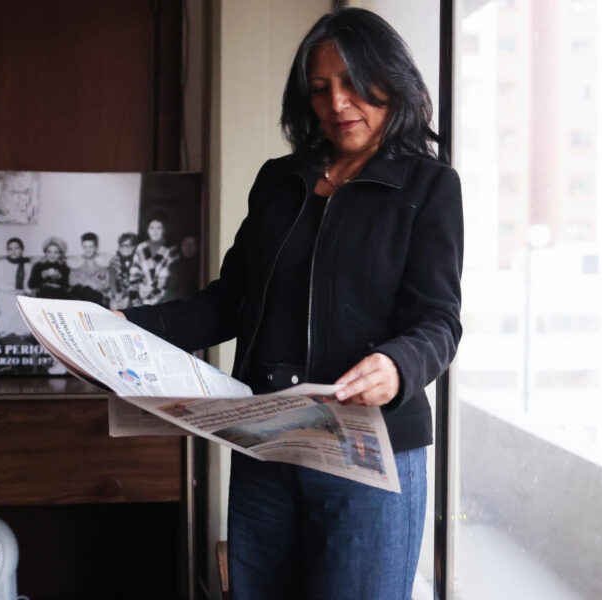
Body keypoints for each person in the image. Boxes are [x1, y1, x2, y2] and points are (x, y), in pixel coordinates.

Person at [122, 8, 463, 599]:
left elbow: (439, 319)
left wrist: (398, 366)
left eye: (355, 83)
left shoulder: (430, 186)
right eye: (320, 88)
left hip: (369, 452)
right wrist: (123, 328)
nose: (337, 103)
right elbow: (228, 304)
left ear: (392, 80)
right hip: (268, 444)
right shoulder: (279, 180)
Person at [130, 212, 175, 305]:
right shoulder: (141, 248)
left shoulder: (171, 250)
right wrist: (140, 290)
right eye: (152, 228)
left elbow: (173, 280)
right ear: (147, 230)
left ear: (164, 230)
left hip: (165, 299)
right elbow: (134, 274)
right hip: (141, 299)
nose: (155, 231)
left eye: (159, 228)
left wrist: (151, 288)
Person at [0, 237, 32, 336]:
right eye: (10, 249)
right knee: (12, 300)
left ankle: (20, 332)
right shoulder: (2, 264)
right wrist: (13, 291)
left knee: (21, 300)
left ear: (22, 250)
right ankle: (4, 330)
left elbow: (28, 284)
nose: (13, 251)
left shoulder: (27, 265)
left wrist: (25, 291)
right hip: (3, 293)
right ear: (7, 251)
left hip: (21, 293)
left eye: (16, 248)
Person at [68, 232, 110, 305]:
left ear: (96, 247)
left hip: (97, 296)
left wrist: (93, 285)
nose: (88, 250)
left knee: (89, 292)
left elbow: (106, 284)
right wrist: (85, 282)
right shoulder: (77, 263)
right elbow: (72, 281)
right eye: (85, 247)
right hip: (80, 296)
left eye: (90, 246)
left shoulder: (103, 262)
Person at [108, 232, 139, 309]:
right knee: (114, 306)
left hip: (134, 292)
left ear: (134, 247)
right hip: (117, 292)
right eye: (122, 246)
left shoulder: (138, 260)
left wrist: (126, 296)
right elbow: (112, 280)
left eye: (128, 245)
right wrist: (116, 295)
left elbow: (138, 282)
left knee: (132, 306)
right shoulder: (114, 260)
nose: (125, 249)